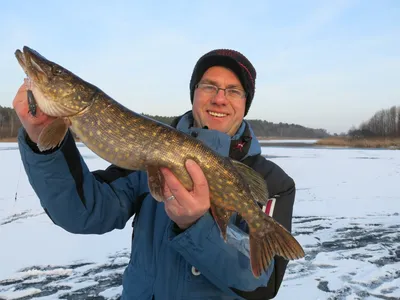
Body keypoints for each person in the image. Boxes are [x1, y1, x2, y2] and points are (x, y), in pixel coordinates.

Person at [13, 49, 297, 299]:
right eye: (209, 86)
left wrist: (196, 225)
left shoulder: (274, 182)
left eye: (233, 90)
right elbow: (83, 212)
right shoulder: (147, 153)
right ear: (194, 93)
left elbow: (262, 285)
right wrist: (43, 144)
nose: (220, 98)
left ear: (245, 102)